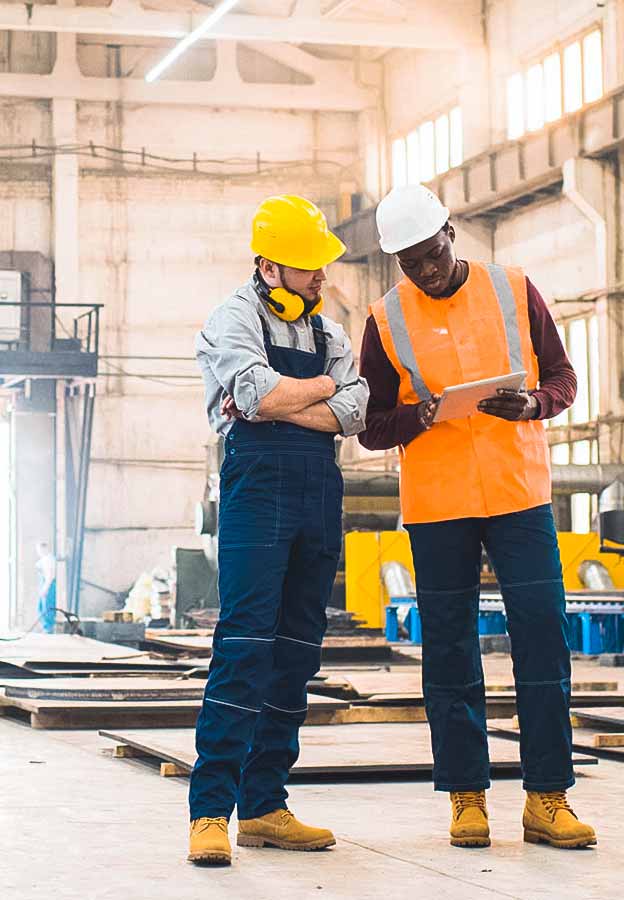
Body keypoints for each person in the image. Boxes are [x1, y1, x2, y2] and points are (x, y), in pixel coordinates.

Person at [358, 183, 596, 850]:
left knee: (543, 642)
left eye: (432, 256)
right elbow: (372, 427)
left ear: (452, 235)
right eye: (410, 264)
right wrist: (419, 415)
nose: (426, 273)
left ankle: (548, 800)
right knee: (451, 652)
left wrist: (536, 405)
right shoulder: (384, 319)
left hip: (519, 496)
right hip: (437, 507)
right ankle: (467, 799)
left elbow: (564, 377)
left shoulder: (514, 287)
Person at [189, 195, 369, 865]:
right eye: (307, 267)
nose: (321, 278)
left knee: (296, 650)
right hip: (257, 488)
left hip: (319, 492)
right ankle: (210, 808)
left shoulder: (331, 329)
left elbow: (356, 412)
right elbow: (257, 395)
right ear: (269, 267)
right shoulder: (231, 318)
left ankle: (264, 804)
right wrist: (320, 391)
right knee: (245, 647)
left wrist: (291, 399)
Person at [35, 541, 56, 634]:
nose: (38, 552)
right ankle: (46, 628)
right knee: (41, 608)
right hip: (44, 585)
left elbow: (50, 576)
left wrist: (45, 588)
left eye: (39, 549)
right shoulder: (45, 559)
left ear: (44, 548)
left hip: (48, 585)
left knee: (47, 608)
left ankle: (48, 629)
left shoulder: (48, 559)